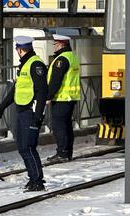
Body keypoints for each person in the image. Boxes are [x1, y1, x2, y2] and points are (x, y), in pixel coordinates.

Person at [0, 36, 48, 192]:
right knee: (22, 147)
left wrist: (38, 117)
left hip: (30, 112)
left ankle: (38, 181)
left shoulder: (35, 65)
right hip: (22, 111)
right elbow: (16, 90)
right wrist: (3, 106)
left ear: (20, 49)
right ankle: (33, 178)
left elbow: (42, 92)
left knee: (29, 147)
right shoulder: (25, 65)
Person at [46, 34, 81, 163]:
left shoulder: (61, 60)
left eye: (55, 44)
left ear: (61, 44)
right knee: (66, 126)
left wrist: (48, 96)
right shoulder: (72, 57)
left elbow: (56, 81)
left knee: (59, 126)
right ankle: (67, 152)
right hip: (71, 97)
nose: (53, 47)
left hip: (61, 98)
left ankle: (62, 153)